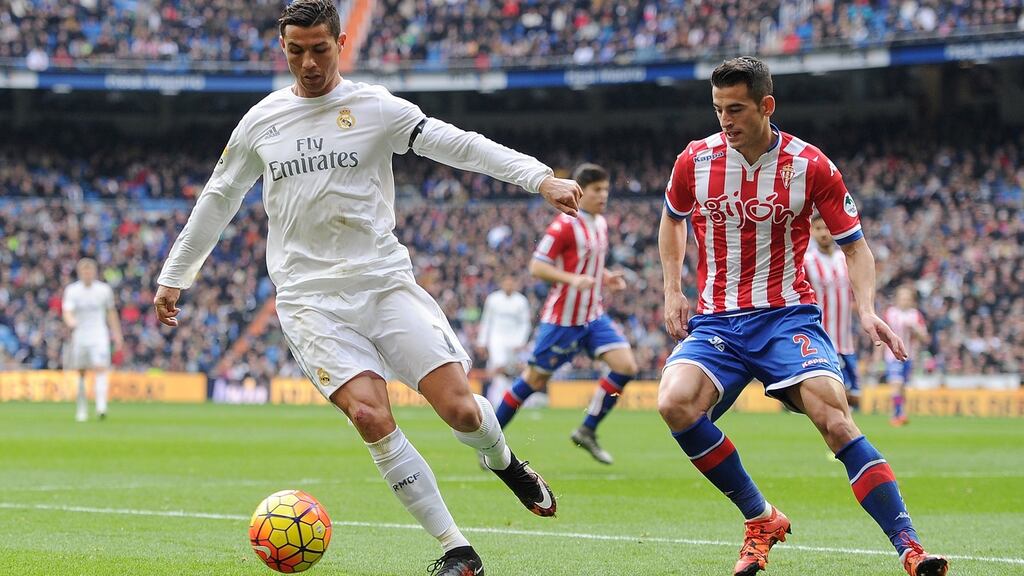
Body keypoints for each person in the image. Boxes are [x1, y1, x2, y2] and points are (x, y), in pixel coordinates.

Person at [152, 2, 581, 574]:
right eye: (295, 50)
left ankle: (503, 462)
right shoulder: (261, 121)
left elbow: (458, 143)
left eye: (319, 49)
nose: (307, 62)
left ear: (341, 42)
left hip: (383, 283)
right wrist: (175, 275)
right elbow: (218, 198)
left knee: (460, 411)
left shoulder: (375, 108)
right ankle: (458, 549)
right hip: (309, 299)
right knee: (370, 416)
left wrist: (538, 176)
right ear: (283, 49)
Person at [658, 57, 947, 576]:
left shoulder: (810, 165)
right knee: (674, 404)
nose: (726, 119)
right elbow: (672, 220)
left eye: (738, 108)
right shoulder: (694, 160)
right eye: (719, 108)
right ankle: (760, 518)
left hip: (785, 318)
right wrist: (670, 289)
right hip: (718, 321)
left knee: (835, 420)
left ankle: (910, 546)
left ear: (767, 106)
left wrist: (865, 309)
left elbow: (855, 248)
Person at [494, 163, 639, 465]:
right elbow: (537, 266)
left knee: (626, 366)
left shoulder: (600, 224)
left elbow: (590, 266)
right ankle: (490, 442)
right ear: (581, 192)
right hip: (562, 319)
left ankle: (587, 429)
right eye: (598, 190)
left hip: (593, 316)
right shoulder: (564, 225)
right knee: (533, 380)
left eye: (606, 190)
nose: (603, 196)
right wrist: (572, 279)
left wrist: (606, 277)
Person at [804, 213, 860, 410]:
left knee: (854, 397)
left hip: (846, 340)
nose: (824, 234)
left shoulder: (845, 259)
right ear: (811, 231)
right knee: (835, 397)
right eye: (818, 229)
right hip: (821, 338)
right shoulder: (807, 261)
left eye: (827, 228)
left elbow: (855, 292)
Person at [63, 258, 123, 422]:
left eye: (90, 271)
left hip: (99, 335)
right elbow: (67, 311)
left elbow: (111, 313)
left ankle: (101, 406)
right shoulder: (72, 290)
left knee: (101, 368)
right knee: (81, 372)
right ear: (80, 273)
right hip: (80, 335)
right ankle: (81, 408)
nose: (87, 274)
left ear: (95, 272)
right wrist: (71, 322)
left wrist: (117, 335)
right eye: (84, 271)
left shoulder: (103, 290)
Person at [475, 275, 532, 408]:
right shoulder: (493, 299)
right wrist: (482, 342)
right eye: (506, 283)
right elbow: (486, 321)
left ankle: (506, 399)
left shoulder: (521, 301)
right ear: (502, 284)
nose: (509, 286)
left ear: (515, 284)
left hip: (514, 340)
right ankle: (499, 401)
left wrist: (521, 341)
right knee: (499, 366)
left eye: (511, 283)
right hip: (497, 338)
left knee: (510, 371)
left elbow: (525, 323)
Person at [884, 286, 929, 426]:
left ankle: (900, 411)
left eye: (907, 298)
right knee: (896, 384)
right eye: (902, 298)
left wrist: (915, 328)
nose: (905, 301)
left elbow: (925, 338)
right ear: (897, 299)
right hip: (892, 356)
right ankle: (897, 414)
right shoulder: (890, 313)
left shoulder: (915, 315)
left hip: (909, 356)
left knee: (902, 386)